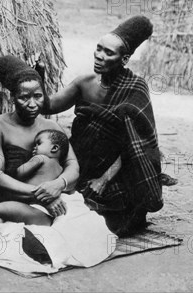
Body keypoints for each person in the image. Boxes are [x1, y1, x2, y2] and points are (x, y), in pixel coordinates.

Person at [0, 55, 116, 272]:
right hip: (12, 197)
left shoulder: (52, 128)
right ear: (12, 96)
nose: (33, 104)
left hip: (51, 195)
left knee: (91, 228)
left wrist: (59, 184)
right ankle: (39, 243)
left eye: (38, 96)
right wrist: (40, 195)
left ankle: (45, 242)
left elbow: (73, 166)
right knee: (23, 236)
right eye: (24, 97)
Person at [42, 15, 164, 236]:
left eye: (109, 53)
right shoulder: (84, 82)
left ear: (124, 59)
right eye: (99, 48)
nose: (99, 55)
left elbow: (139, 146)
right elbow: (48, 106)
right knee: (48, 197)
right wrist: (38, 75)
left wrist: (104, 179)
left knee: (98, 223)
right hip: (79, 161)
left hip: (117, 171)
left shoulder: (135, 89)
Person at [0, 129, 69, 226]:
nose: (34, 148)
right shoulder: (60, 169)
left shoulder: (40, 158)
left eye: (39, 144)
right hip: (47, 212)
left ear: (54, 148)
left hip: (33, 206)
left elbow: (19, 172)